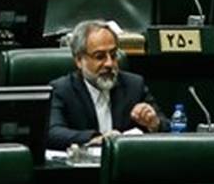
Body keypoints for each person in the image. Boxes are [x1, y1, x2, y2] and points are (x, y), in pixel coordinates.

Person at [47, 20, 168, 150]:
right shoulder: (62, 90)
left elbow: (167, 126)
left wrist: (154, 123)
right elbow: (53, 133)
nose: (109, 64)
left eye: (113, 55)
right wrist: (96, 138)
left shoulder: (134, 85)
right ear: (79, 60)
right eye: (100, 57)